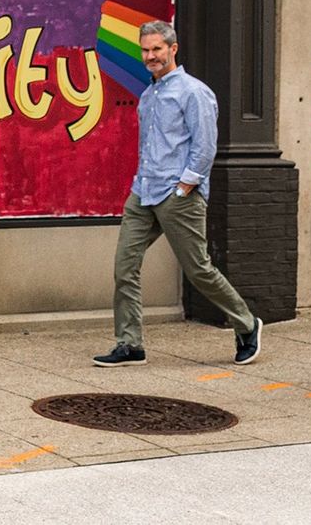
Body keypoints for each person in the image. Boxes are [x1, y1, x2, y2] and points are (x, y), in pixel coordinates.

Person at [93, 21, 262, 367]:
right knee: (125, 267)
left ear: (173, 49)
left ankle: (247, 324)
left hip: (177, 194)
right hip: (143, 192)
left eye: (157, 48)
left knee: (198, 269)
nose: (150, 56)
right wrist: (140, 181)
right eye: (145, 49)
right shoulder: (149, 94)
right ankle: (130, 343)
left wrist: (186, 185)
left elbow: (205, 145)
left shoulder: (193, 91)